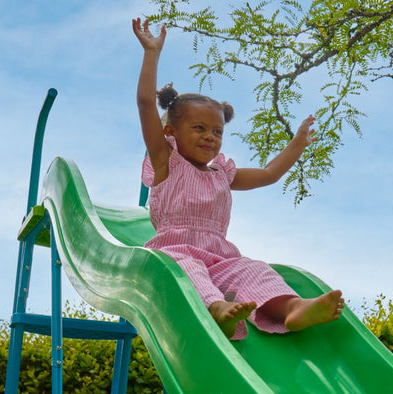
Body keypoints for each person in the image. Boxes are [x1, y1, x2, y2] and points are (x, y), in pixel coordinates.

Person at [132, 18, 344, 340]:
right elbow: (146, 103)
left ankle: (292, 309)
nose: (210, 137)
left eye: (217, 131)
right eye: (199, 128)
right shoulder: (166, 161)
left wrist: (297, 143)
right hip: (176, 253)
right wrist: (152, 53)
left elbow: (270, 174)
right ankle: (217, 309)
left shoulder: (222, 174)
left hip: (221, 256)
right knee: (190, 272)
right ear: (171, 131)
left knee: (254, 270)